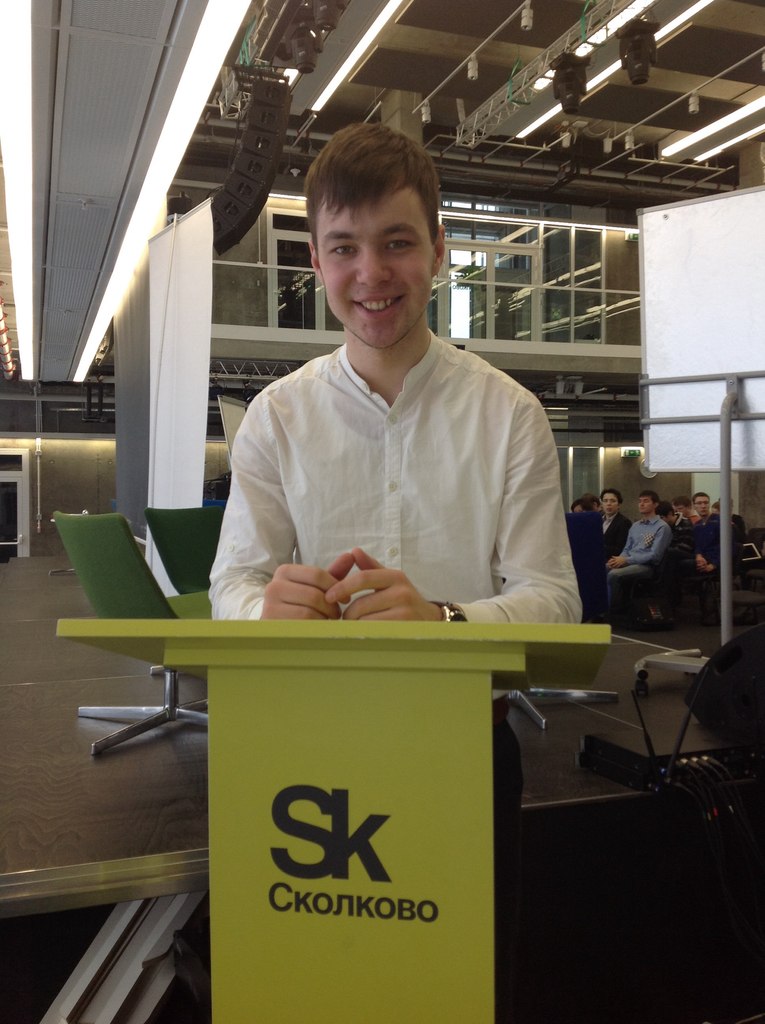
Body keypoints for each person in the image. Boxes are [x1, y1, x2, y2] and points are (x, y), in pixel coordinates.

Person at [209, 121, 582, 1023]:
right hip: (305, 759)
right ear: (315, 258)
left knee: (463, 993)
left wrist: (446, 622)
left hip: (463, 753)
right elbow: (230, 588)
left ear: (439, 250)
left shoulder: (509, 415)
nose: (370, 274)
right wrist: (263, 610)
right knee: (317, 994)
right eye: (344, 247)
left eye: (396, 243)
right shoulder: (275, 418)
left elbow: (555, 602)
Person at [606, 490, 672, 611]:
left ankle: (612, 610)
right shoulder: (635, 526)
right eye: (640, 501)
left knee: (613, 575)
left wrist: (626, 560)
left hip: (647, 566)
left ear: (655, 504)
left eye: (646, 501)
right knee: (603, 568)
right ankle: (597, 606)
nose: (641, 504)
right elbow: (627, 548)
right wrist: (619, 559)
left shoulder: (662, 527)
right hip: (630, 561)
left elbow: (655, 555)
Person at [600, 487, 631, 561]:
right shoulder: (597, 519)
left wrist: (597, 546)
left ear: (619, 505)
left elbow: (620, 549)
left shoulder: (624, 522)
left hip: (611, 560)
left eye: (613, 501)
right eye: (605, 501)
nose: (608, 504)